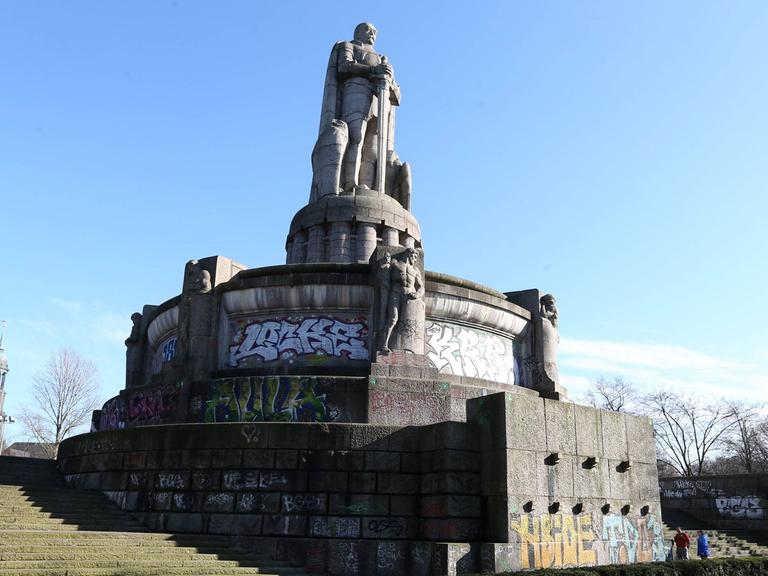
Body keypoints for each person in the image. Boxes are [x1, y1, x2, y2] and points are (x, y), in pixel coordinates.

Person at [320, 22, 399, 192]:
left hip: (379, 102)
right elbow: (343, 67)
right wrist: (373, 71)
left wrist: (390, 80)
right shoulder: (348, 46)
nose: (372, 33)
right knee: (356, 137)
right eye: (367, 29)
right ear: (357, 32)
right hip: (356, 94)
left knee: (372, 148)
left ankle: (367, 185)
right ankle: (350, 183)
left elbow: (397, 95)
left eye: (375, 31)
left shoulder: (381, 58)